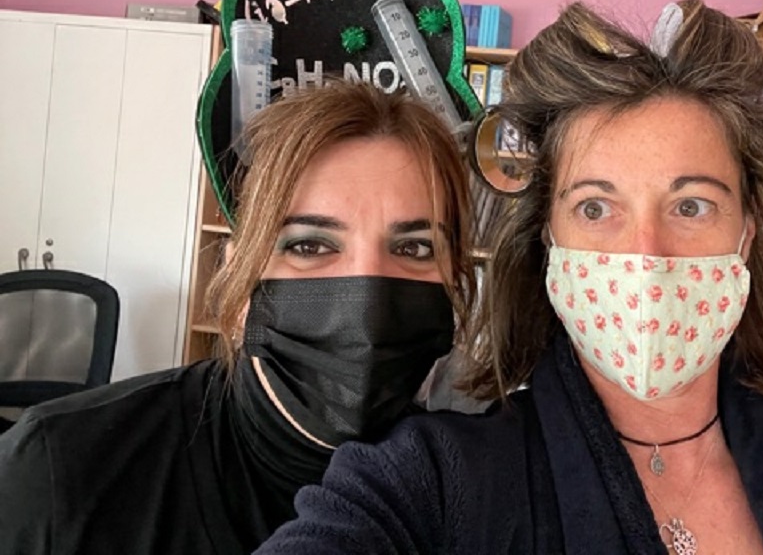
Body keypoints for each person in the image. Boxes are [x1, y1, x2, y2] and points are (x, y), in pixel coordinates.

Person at [256, 0, 763, 554]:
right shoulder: (431, 483)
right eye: (596, 208)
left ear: (747, 231)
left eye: (691, 205)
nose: (646, 255)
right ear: (548, 237)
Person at [0, 80, 477, 554]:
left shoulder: (472, 497)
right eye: (309, 245)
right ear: (239, 277)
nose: (369, 302)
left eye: (414, 248)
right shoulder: (56, 473)